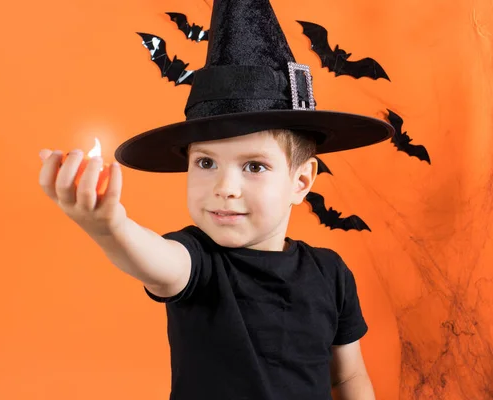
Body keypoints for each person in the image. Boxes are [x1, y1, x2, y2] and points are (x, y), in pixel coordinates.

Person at [39, 0, 393, 398]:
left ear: (301, 180)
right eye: (206, 162)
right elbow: (155, 260)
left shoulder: (331, 274)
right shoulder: (196, 262)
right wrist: (110, 229)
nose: (225, 186)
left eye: (254, 167)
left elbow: (347, 378)